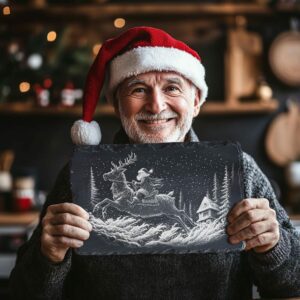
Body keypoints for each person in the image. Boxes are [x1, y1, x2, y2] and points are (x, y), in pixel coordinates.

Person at [10, 27, 300, 299]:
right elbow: (23, 292)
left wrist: (273, 246)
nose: (156, 105)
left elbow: (293, 281)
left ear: (196, 101)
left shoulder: (241, 170)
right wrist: (48, 254)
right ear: (117, 103)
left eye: (172, 88)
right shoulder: (80, 175)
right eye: (138, 89)